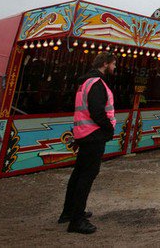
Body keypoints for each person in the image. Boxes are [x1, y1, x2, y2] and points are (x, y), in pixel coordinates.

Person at [59, 51, 117, 234]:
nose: (114, 67)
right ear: (106, 63)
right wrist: (109, 128)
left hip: (83, 133)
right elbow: (97, 111)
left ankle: (69, 212)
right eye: (113, 64)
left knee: (78, 174)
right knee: (87, 176)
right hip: (93, 134)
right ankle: (77, 220)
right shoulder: (97, 83)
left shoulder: (85, 82)